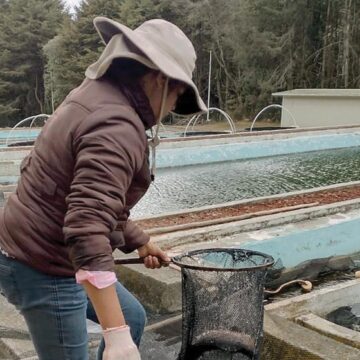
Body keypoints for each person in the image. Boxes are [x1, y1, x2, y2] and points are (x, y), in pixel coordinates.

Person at [0, 16, 206, 360]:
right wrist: (116, 336)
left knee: (133, 317)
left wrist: (140, 242)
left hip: (45, 246)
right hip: (42, 263)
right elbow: (86, 228)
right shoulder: (117, 126)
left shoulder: (98, 94)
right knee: (110, 335)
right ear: (158, 78)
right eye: (177, 96)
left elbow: (85, 198)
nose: (171, 109)